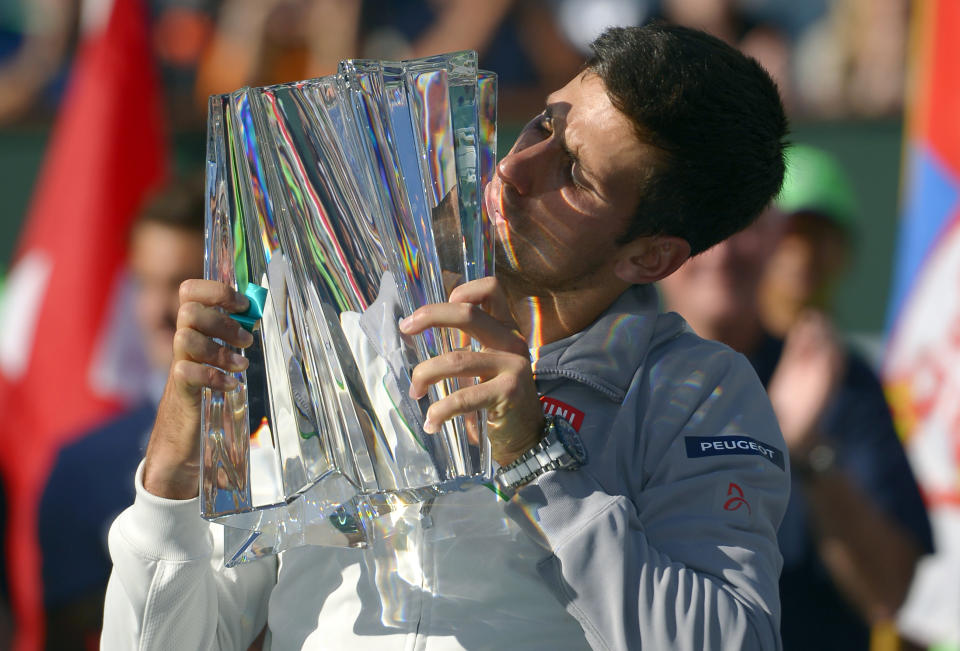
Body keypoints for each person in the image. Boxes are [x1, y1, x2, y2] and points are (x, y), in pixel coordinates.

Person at [103, 24, 790, 650]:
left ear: (649, 258)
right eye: (546, 123)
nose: (515, 170)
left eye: (575, 174)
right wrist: (170, 473)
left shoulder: (695, 391)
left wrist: (537, 459)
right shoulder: (341, 341)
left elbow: (731, 640)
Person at [659, 144, 933, 650]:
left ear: (766, 241)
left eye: (738, 226)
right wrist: (774, 445)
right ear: (651, 248)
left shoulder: (838, 381)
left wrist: (810, 457)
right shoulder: (609, 378)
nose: (720, 252)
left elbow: (889, 592)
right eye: (702, 228)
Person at [37, 178, 205, 649]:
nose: (157, 311)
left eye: (179, 286)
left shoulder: (295, 444)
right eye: (143, 283)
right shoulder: (81, 465)